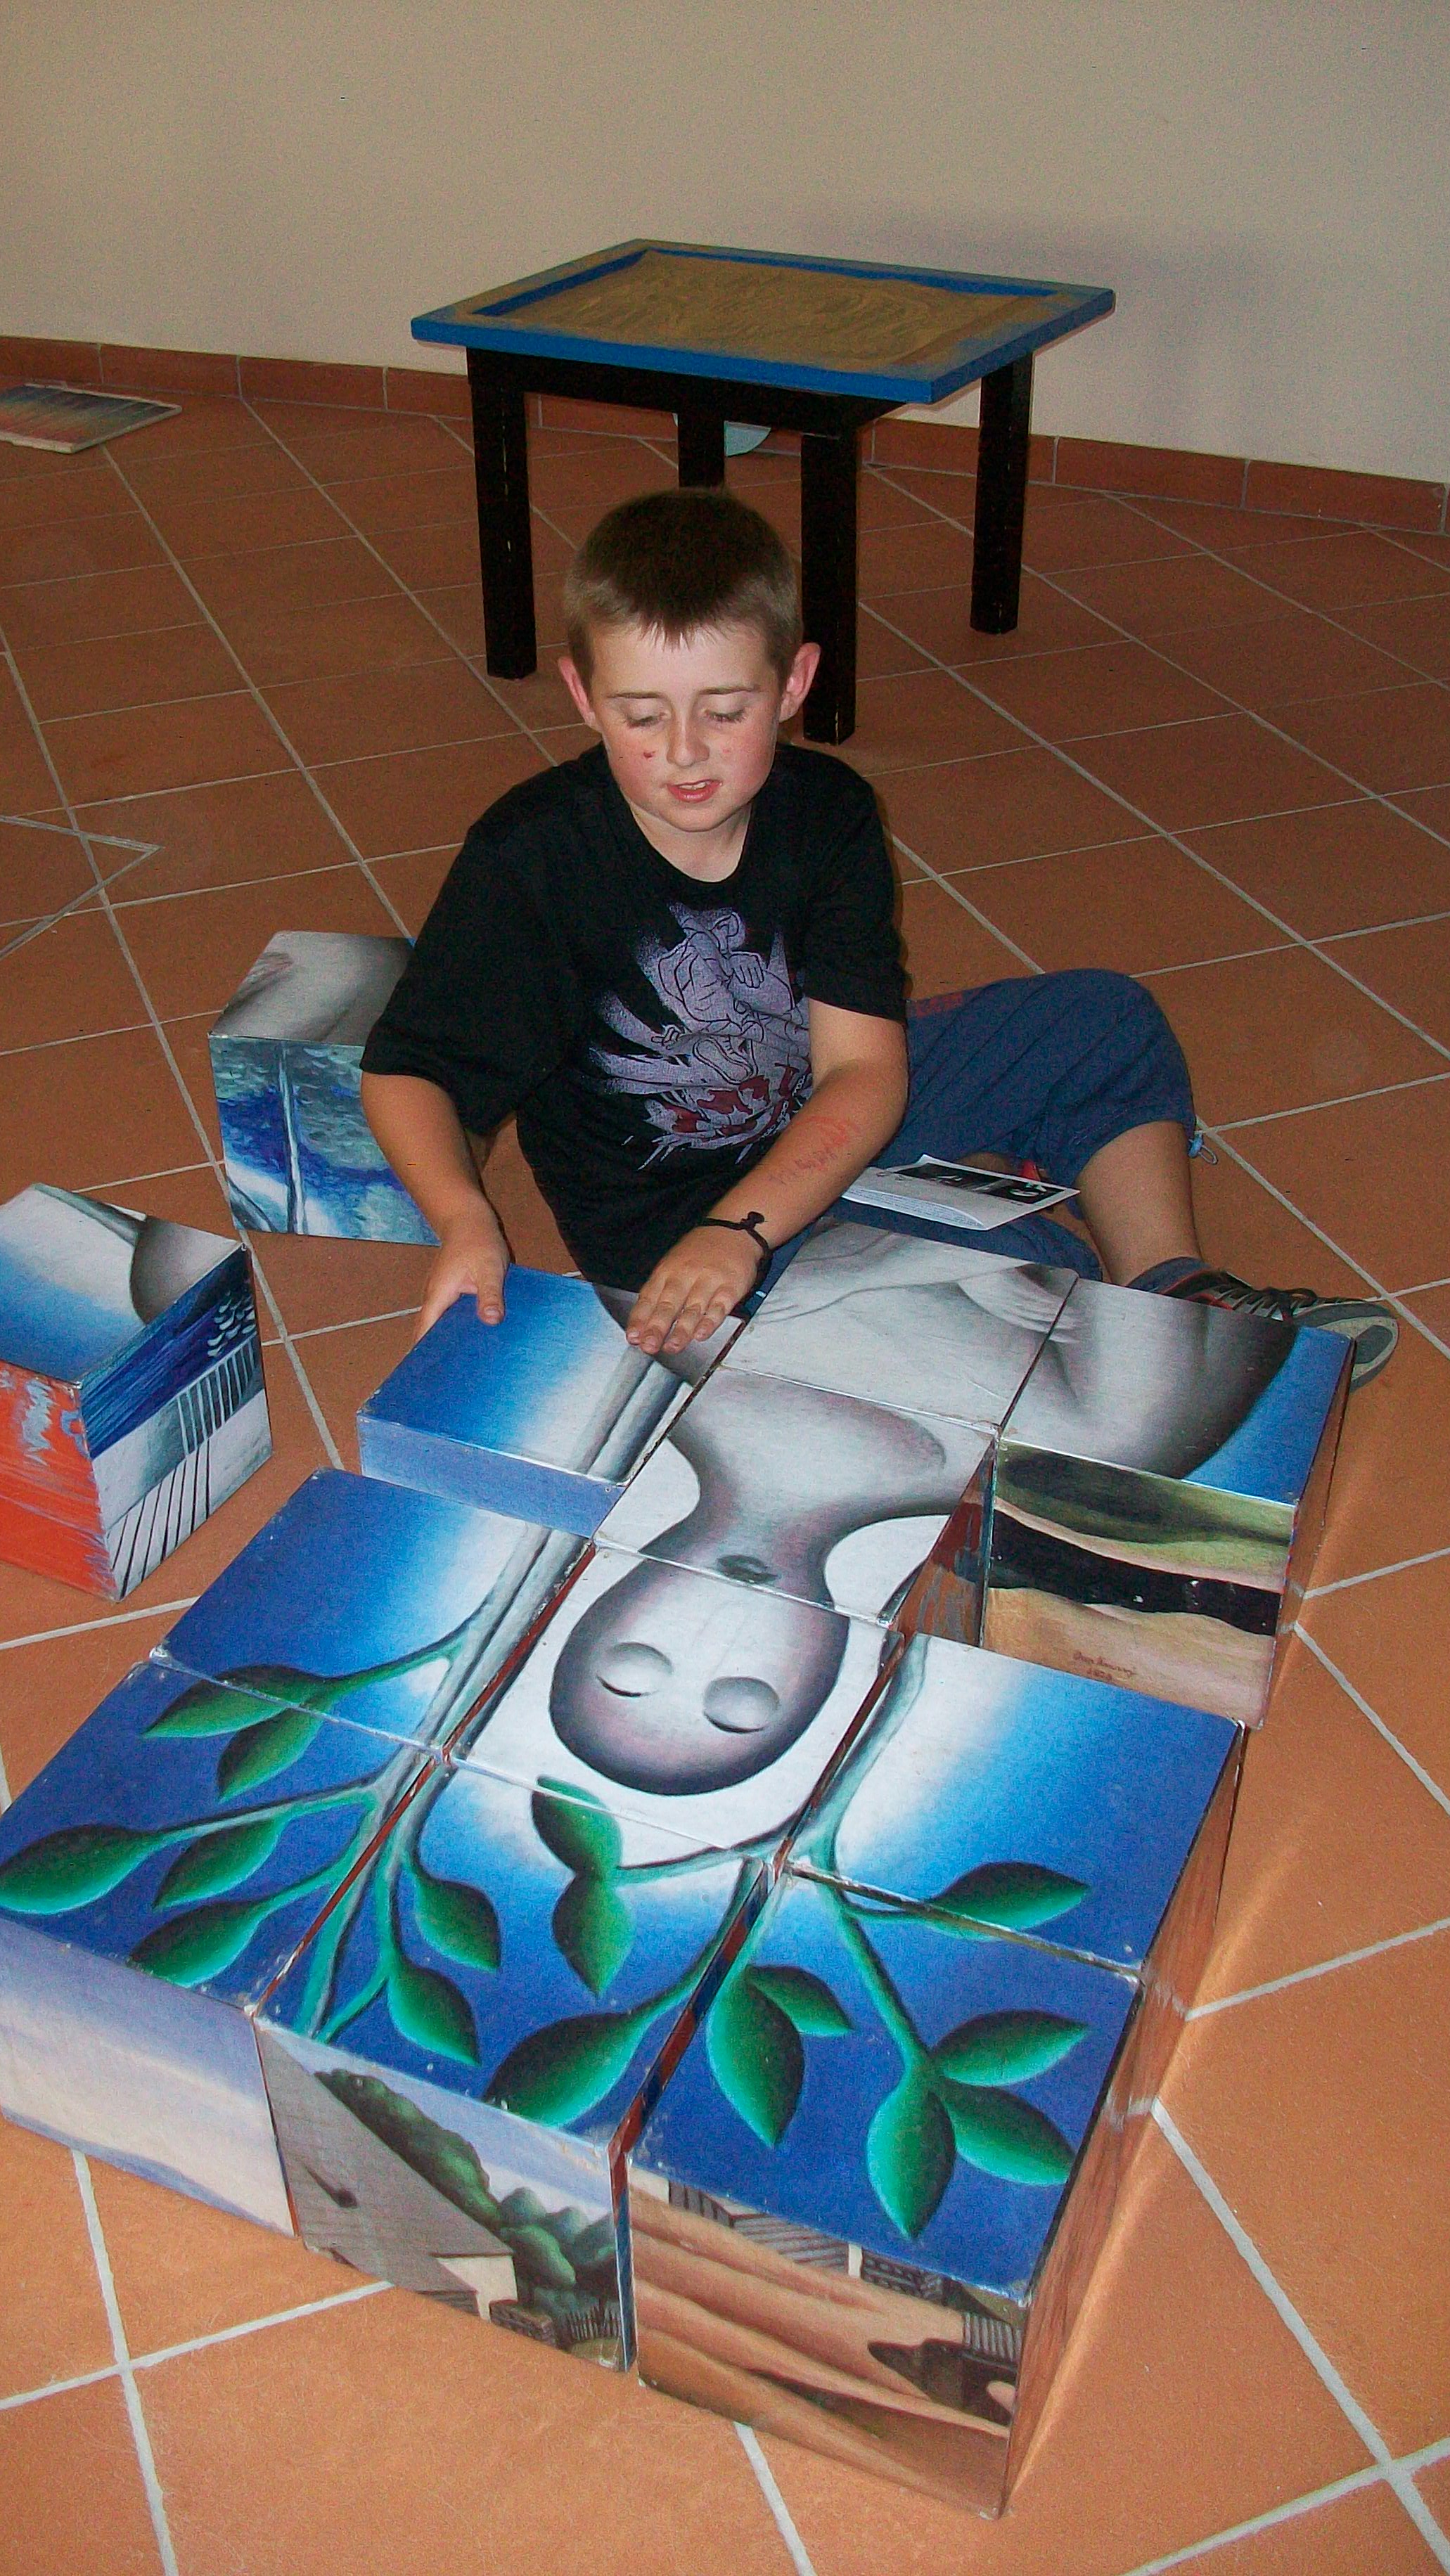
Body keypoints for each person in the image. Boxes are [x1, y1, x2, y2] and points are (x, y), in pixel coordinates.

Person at [359, 487, 1396, 1389]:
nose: (684, 753)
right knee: (1038, 1275)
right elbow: (408, 1073)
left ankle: (1174, 1287)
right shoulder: (531, 858)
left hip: (812, 1136)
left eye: (725, 711)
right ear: (583, 695)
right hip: (676, 1239)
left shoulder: (831, 811)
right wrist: (466, 1220)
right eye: (641, 716)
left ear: (793, 684)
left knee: (1102, 1018)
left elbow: (861, 1073)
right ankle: (1080, 1296)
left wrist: (746, 1223)